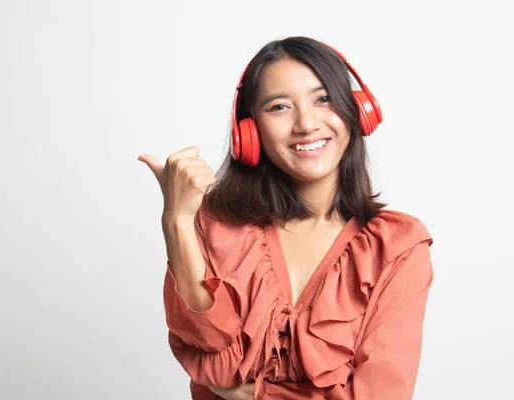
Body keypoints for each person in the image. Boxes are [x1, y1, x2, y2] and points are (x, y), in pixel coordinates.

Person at [138, 36, 434, 400]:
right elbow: (213, 361)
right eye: (279, 107)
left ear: (357, 110)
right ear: (249, 131)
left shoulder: (397, 246)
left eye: (322, 99)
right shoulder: (217, 226)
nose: (307, 124)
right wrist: (176, 221)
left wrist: (254, 395)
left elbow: (381, 393)